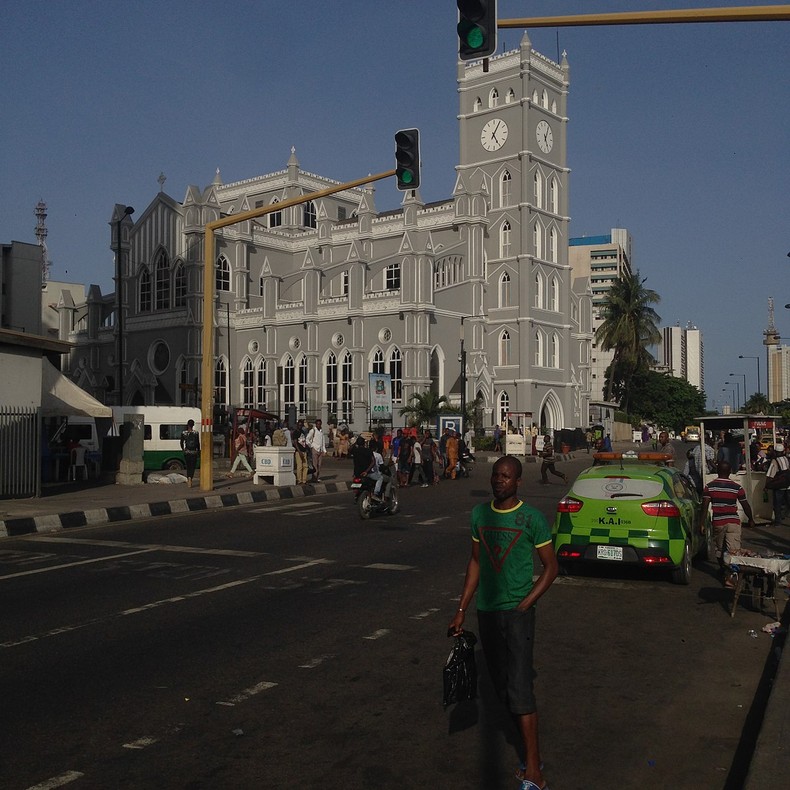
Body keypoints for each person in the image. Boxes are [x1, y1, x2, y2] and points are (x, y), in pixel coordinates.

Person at [448, 456, 558, 790]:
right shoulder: (479, 514)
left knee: (521, 690)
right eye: (496, 475)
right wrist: (462, 608)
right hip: (487, 612)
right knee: (501, 689)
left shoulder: (532, 518)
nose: (499, 481)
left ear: (518, 482)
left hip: (518, 615)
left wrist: (525, 604)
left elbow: (551, 567)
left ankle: (535, 773)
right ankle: (530, 756)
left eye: (506, 476)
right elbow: (476, 562)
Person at [701, 460, 755, 587]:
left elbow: (704, 506)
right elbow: (745, 505)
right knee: (734, 550)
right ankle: (731, 575)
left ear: (717, 471)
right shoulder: (737, 487)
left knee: (719, 549)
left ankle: (723, 569)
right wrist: (751, 519)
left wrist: (702, 523)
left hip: (718, 522)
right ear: (730, 472)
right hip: (733, 522)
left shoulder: (709, 487)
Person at [765, 443, 790, 526]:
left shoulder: (775, 460)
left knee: (777, 504)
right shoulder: (786, 458)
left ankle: (778, 521)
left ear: (775, 452)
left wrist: (766, 485)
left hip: (779, 485)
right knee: (788, 502)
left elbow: (770, 474)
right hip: (787, 484)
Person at [179, 418, 200, 488]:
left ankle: (188, 478)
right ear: (193, 425)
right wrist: (198, 451)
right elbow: (198, 443)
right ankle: (191, 477)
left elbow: (181, 443)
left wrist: (183, 449)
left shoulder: (184, 433)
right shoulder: (196, 433)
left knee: (188, 466)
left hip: (187, 452)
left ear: (187, 425)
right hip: (194, 452)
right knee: (193, 467)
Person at [306, 418, 327, 483]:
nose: (319, 425)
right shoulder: (313, 431)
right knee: (314, 465)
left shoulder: (321, 431)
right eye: (317, 424)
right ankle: (314, 478)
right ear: (316, 424)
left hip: (320, 450)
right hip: (315, 449)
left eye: (320, 424)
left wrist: (324, 450)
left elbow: (323, 441)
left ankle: (317, 477)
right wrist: (311, 446)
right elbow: (307, 439)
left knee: (319, 465)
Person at [291, 420, 309, 485]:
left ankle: (304, 480)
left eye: (301, 425)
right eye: (299, 425)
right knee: (299, 466)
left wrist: (306, 448)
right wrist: (299, 451)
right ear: (297, 425)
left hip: (304, 450)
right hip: (299, 451)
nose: (300, 426)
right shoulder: (295, 433)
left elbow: (304, 441)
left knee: (305, 466)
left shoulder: (302, 432)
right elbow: (295, 443)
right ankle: (299, 480)